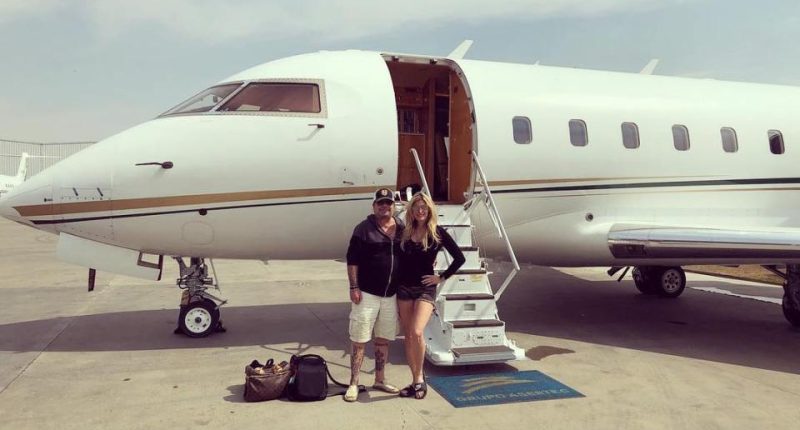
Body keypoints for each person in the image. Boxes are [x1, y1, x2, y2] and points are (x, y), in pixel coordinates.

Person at [397, 193, 465, 399]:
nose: (420, 211)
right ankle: (416, 378)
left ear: (429, 211)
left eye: (424, 208)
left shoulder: (437, 233)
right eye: (416, 207)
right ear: (411, 211)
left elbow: (459, 258)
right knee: (408, 335)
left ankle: (419, 379)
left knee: (417, 332)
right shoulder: (405, 232)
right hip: (404, 288)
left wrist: (440, 278)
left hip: (425, 288)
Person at [343, 187, 404, 402]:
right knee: (359, 339)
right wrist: (354, 287)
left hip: (391, 295)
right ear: (374, 206)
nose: (385, 206)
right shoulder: (363, 229)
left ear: (393, 206)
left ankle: (379, 379)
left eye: (388, 203)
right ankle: (354, 382)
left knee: (383, 339)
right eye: (381, 203)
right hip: (367, 293)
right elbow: (353, 260)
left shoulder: (401, 228)